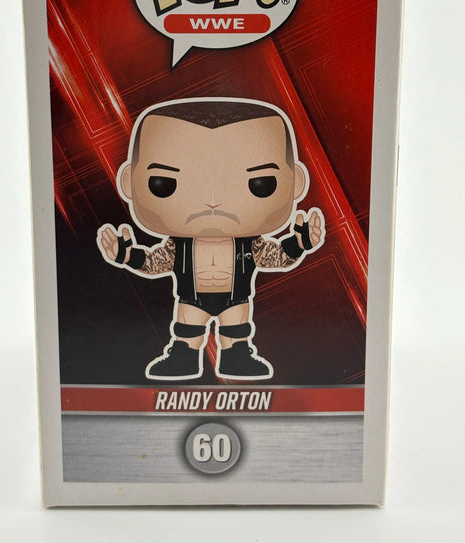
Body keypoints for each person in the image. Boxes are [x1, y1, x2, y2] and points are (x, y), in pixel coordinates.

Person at [97, 98, 324, 380]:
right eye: (164, 184)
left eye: (261, 184)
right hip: (191, 300)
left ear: (295, 183)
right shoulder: (179, 245)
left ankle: (236, 356)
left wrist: (299, 243)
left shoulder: (250, 243)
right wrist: (126, 255)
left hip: (236, 299)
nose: (213, 201)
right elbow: (156, 262)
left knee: (236, 333)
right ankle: (183, 356)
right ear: (129, 183)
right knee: (187, 332)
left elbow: (275, 257)